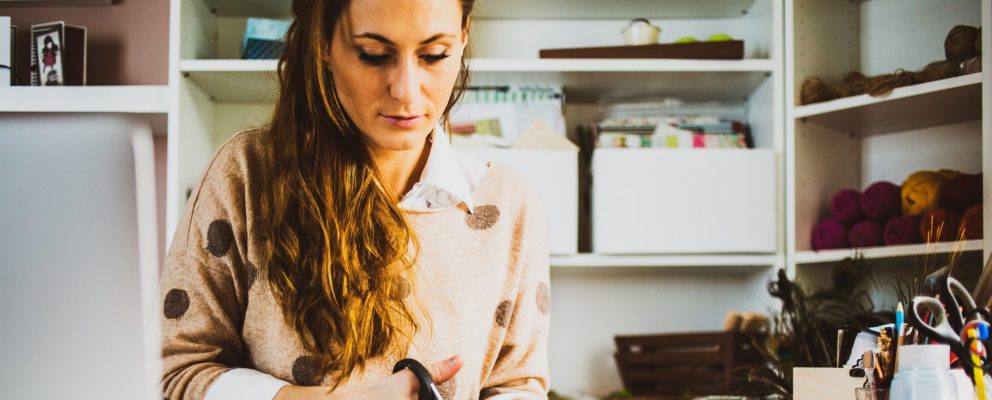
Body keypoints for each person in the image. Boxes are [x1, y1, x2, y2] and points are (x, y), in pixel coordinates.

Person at [158, 0, 551, 399]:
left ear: (463, 35)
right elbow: (176, 374)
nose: (405, 91)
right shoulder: (245, 174)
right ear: (323, 43)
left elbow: (518, 384)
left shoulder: (508, 203)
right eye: (373, 55)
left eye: (434, 55)